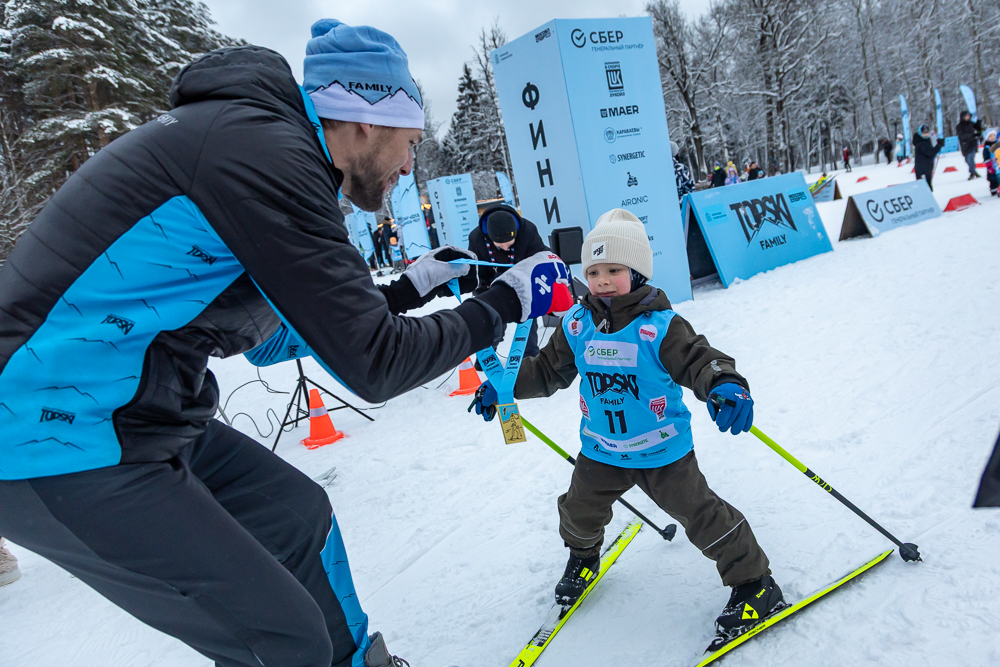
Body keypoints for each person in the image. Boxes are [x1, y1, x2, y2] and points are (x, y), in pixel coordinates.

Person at [0, 19, 570, 667]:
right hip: (50, 438)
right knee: (281, 640)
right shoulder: (268, 157)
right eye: (409, 143)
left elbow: (276, 342)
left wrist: (411, 289)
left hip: (137, 413)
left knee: (299, 516)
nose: (409, 166)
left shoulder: (259, 148)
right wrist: (505, 302)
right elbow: (374, 363)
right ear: (363, 121)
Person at [470, 208, 780, 648]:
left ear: (636, 272)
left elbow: (699, 359)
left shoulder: (660, 327)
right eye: (593, 271)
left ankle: (755, 584)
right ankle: (582, 558)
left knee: (702, 516)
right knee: (578, 511)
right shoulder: (577, 325)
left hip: (663, 453)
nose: (600, 280)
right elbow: (545, 372)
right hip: (601, 451)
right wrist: (502, 388)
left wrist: (725, 384)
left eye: (613, 270)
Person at [467, 203, 548, 358]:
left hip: (525, 275)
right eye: (500, 244)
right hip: (495, 279)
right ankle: (487, 353)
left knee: (527, 314)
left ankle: (529, 355)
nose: (505, 248)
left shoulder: (528, 231)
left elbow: (540, 259)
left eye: (509, 243)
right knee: (490, 313)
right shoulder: (476, 238)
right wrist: (483, 293)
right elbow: (480, 272)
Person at [913, 124, 944, 191]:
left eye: (927, 132)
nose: (926, 134)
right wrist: (939, 146)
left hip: (927, 166)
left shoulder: (926, 140)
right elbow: (930, 152)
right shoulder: (920, 143)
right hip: (922, 168)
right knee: (925, 188)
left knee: (927, 187)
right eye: (924, 133)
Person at [956, 111, 983, 180]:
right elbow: (962, 136)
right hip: (965, 145)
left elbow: (978, 131)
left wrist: (979, 127)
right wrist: (972, 135)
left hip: (972, 144)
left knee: (970, 158)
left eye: (968, 116)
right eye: (966, 116)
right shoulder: (959, 126)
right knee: (967, 160)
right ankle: (973, 171)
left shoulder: (971, 124)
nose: (968, 117)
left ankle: (972, 173)